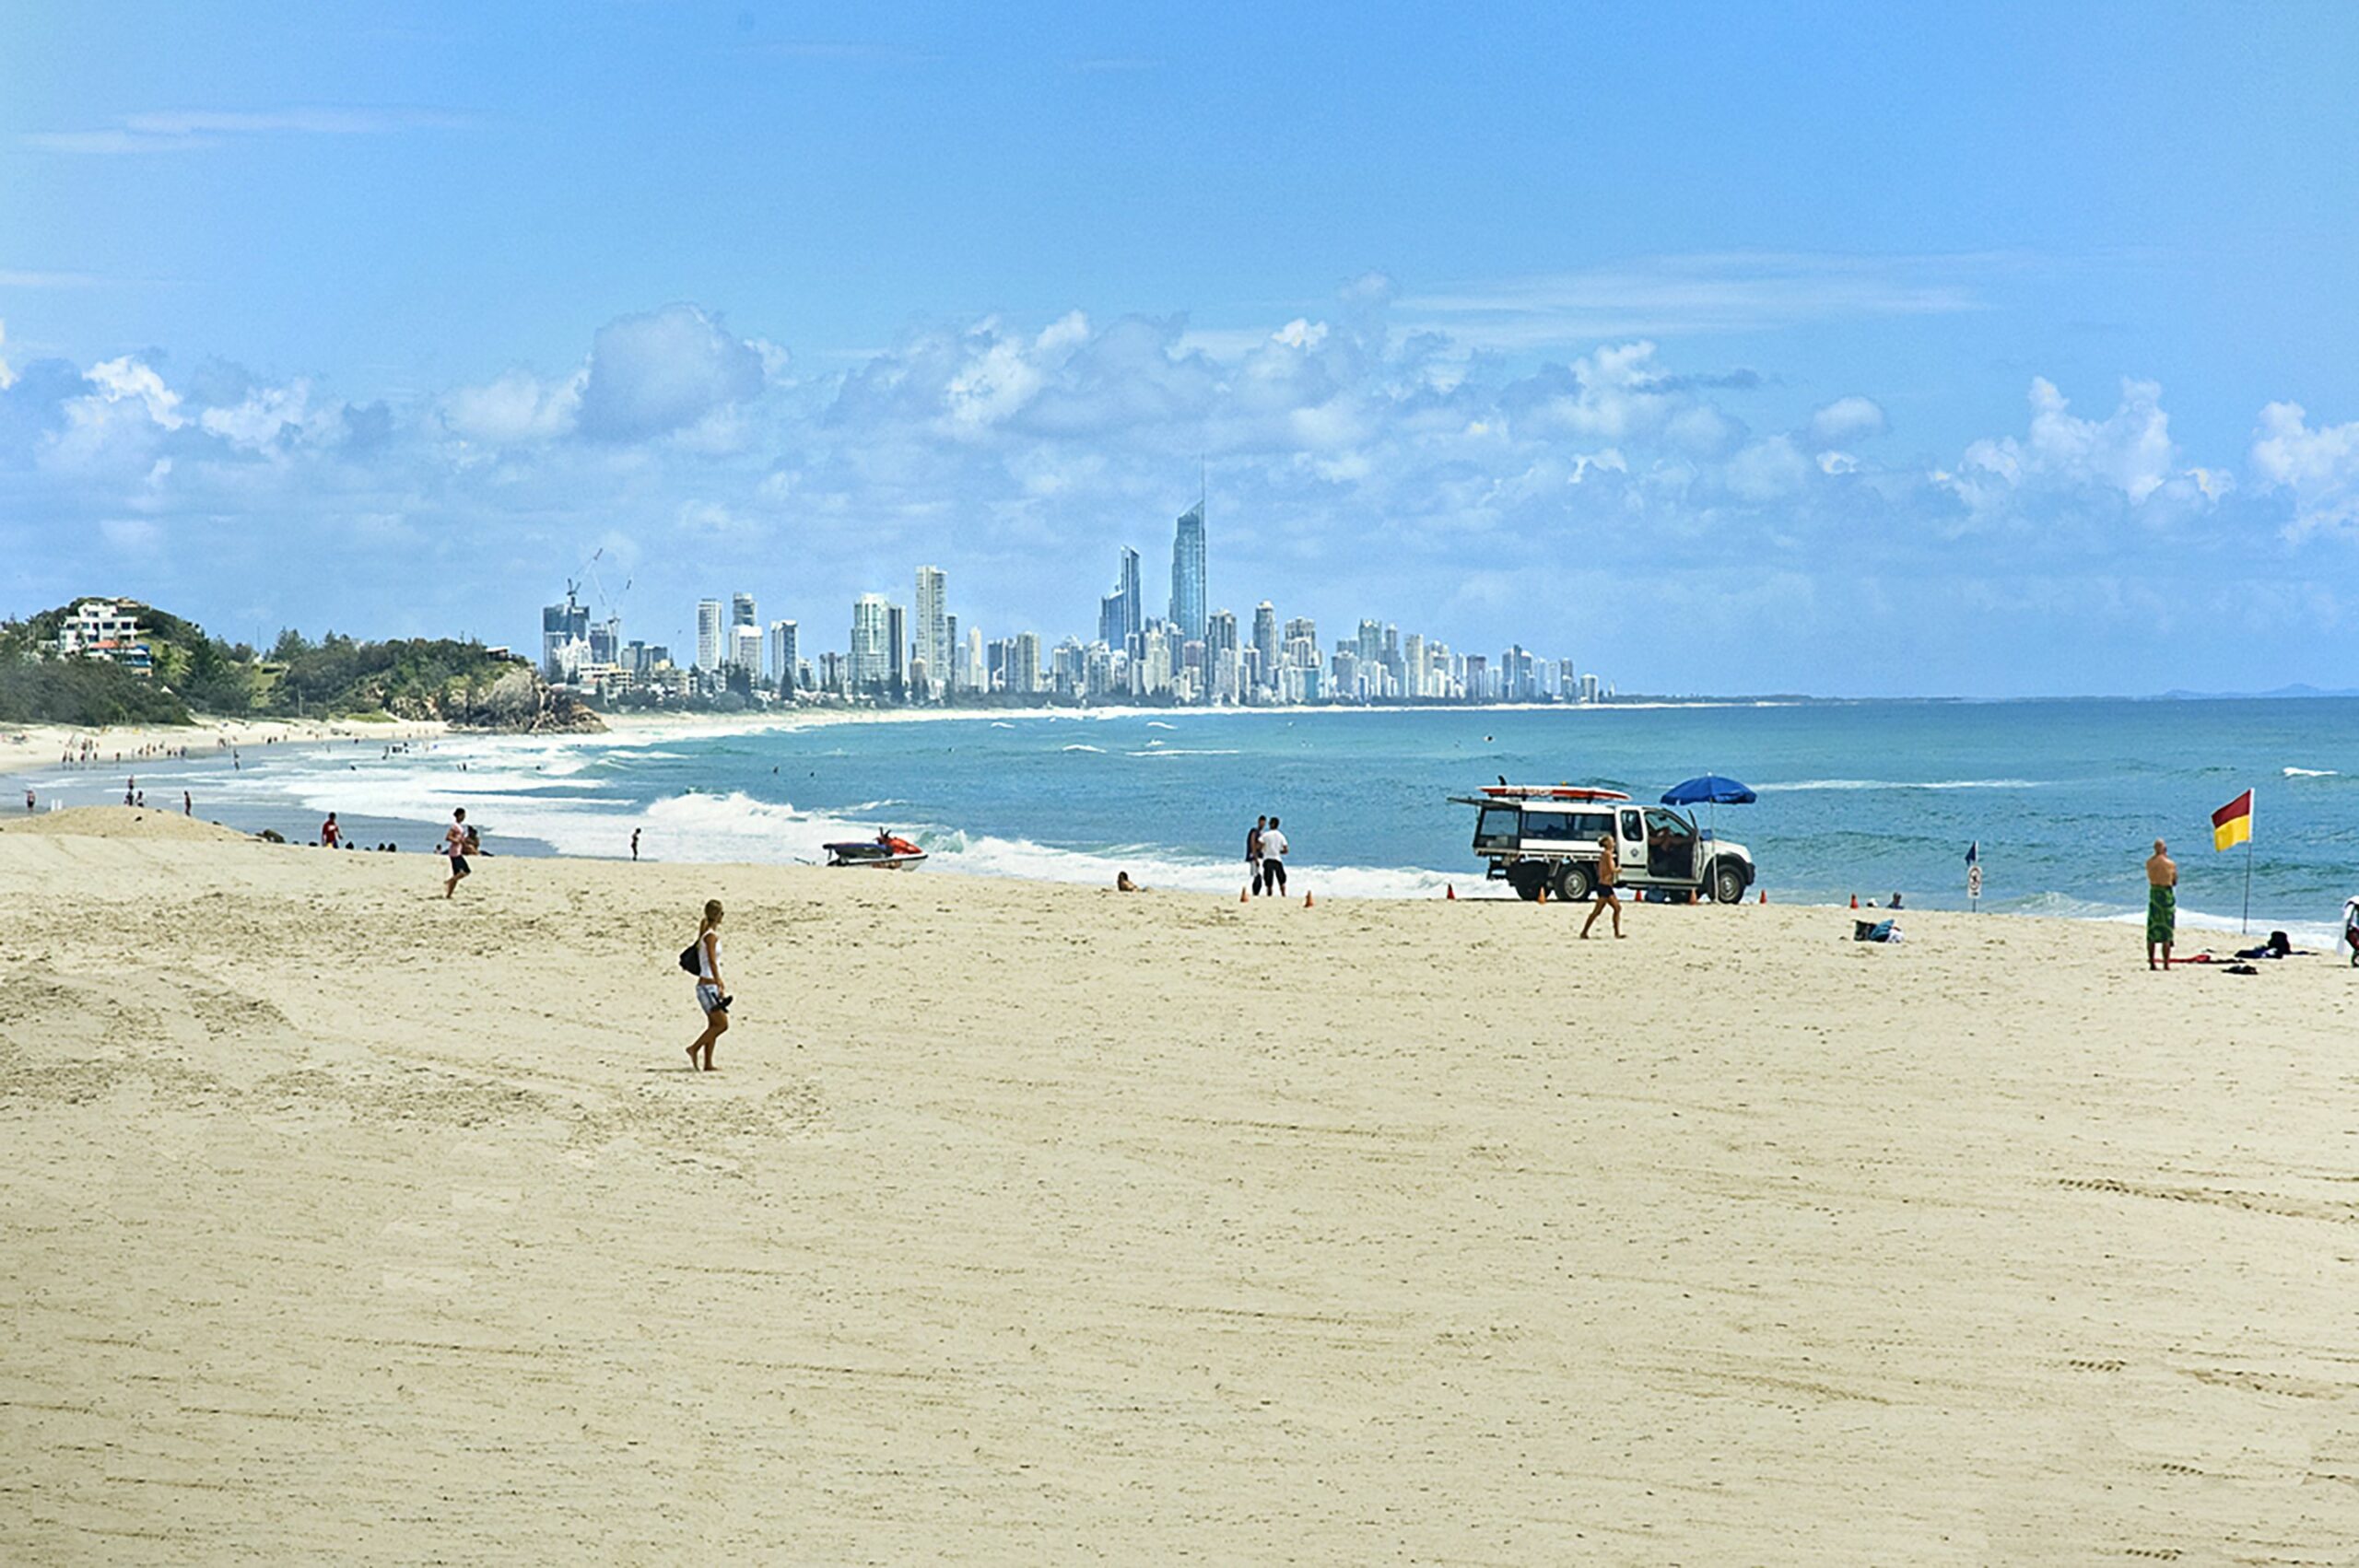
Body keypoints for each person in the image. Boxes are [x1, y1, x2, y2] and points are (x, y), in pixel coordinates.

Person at [687, 899, 729, 1071]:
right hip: (708, 984)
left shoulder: (706, 934)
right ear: (718, 916)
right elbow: (712, 960)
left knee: (713, 1025)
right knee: (722, 1024)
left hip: (706, 984)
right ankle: (694, 1048)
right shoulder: (710, 936)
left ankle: (708, 1063)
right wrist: (719, 981)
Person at [1581, 832, 1625, 939]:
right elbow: (1611, 869)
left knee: (1615, 908)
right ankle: (1584, 932)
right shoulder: (1607, 854)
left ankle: (1616, 933)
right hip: (1604, 886)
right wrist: (1619, 869)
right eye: (1611, 841)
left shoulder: (1606, 854)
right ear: (1606, 843)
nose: (1613, 843)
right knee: (1601, 910)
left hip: (1605, 886)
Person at [2145, 837, 2177, 971]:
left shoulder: (2149, 863)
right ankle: (2166, 963)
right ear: (2164, 849)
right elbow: (2174, 881)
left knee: (2152, 930)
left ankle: (2152, 963)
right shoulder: (2170, 864)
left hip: (2154, 894)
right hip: (2165, 896)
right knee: (2166, 932)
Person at [441, 808, 472, 898]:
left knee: (457, 874)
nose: (464, 817)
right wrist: (457, 840)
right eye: (463, 815)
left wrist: (465, 845)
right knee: (466, 871)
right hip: (455, 852)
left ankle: (449, 895)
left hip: (457, 851)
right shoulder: (455, 826)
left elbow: (460, 839)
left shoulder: (459, 826)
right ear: (459, 815)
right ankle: (449, 881)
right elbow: (448, 837)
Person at [1260, 815, 1289, 896]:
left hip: (1267, 858)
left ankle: (1269, 895)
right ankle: (1283, 895)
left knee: (1269, 881)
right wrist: (1279, 851)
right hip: (1277, 858)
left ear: (1271, 824)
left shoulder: (1266, 835)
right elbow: (1286, 850)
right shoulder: (1281, 836)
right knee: (1281, 880)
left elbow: (1260, 845)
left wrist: (1263, 851)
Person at [1245, 814, 1266, 895]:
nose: (1262, 824)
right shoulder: (1254, 832)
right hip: (1254, 856)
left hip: (1259, 856)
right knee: (1257, 876)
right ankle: (1255, 892)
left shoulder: (1262, 833)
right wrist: (1255, 857)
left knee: (1258, 876)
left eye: (1264, 823)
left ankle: (1256, 892)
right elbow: (1253, 844)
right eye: (1261, 822)